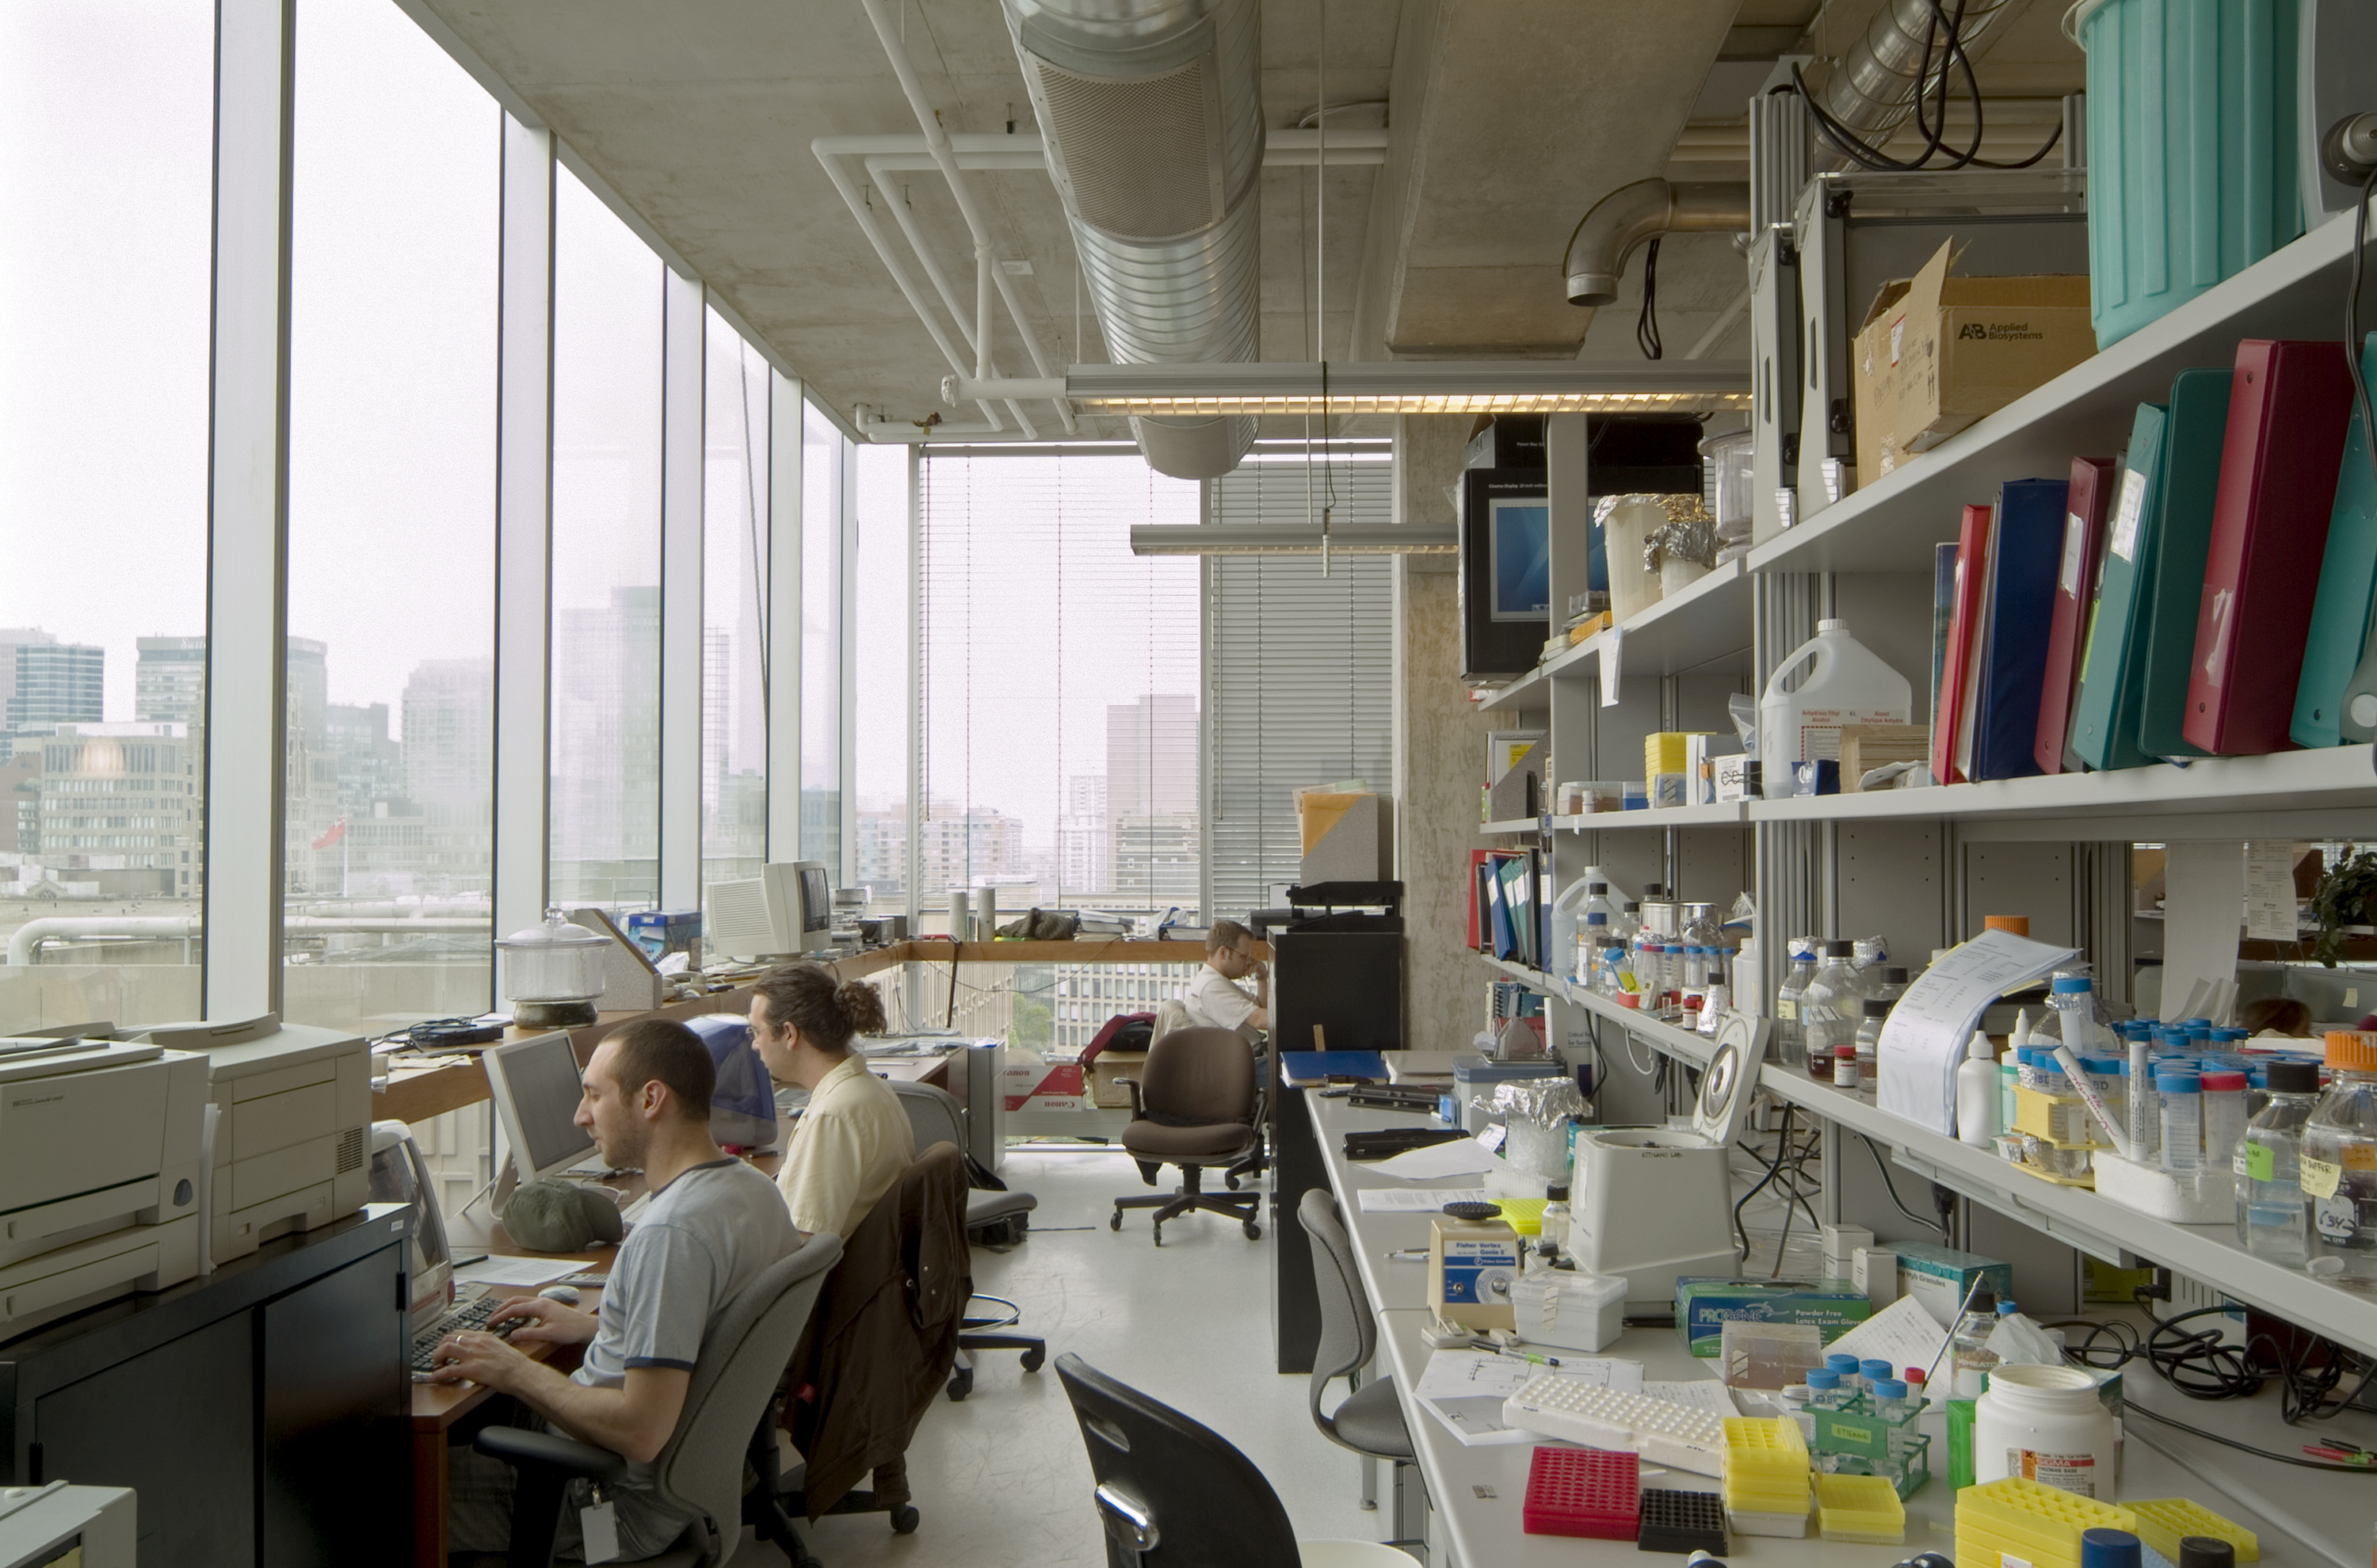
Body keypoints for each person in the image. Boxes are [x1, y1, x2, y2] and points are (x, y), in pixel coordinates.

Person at [432, 1017, 799, 1562]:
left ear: (651, 1098)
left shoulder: (670, 1234)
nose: (581, 1115)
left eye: (594, 1095)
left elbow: (641, 1430)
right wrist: (605, 1325)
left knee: (377, 1490)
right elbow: (717, 1333)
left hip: (605, 1496)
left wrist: (515, 1369)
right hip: (679, 1484)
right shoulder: (753, 1190)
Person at [751, 963, 916, 1239]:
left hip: (832, 1278)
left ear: (790, 1035)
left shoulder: (834, 1115)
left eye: (757, 1031)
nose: (755, 1044)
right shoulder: (868, 1088)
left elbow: (805, 1246)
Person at [1182, 918, 1269, 1034]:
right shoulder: (1211, 986)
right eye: (1244, 956)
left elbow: (1263, 1008)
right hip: (1252, 1051)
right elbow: (1259, 1020)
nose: (1249, 962)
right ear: (1223, 953)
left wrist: (1262, 976)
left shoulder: (1217, 979)